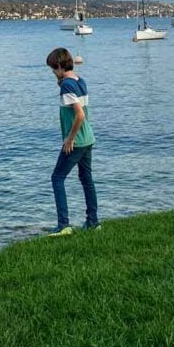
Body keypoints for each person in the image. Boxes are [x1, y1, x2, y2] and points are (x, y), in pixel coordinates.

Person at [45, 47, 98, 235]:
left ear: (59, 66)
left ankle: (64, 225)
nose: (52, 73)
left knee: (57, 178)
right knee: (86, 178)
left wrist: (69, 139)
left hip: (77, 141)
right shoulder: (80, 81)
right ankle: (93, 221)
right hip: (88, 138)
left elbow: (80, 115)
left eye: (53, 69)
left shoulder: (67, 85)